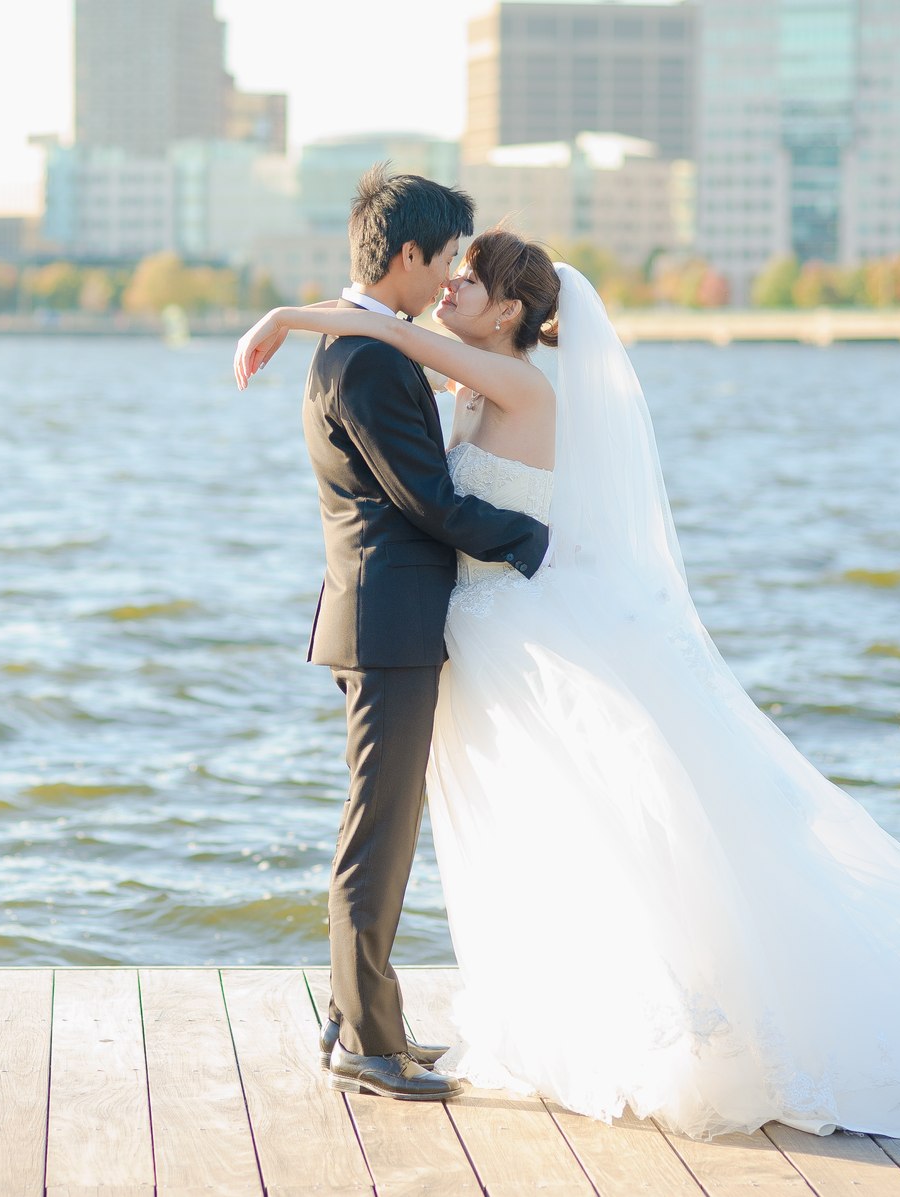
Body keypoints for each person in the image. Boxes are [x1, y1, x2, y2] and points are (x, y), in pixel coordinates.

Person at [235, 226, 900, 1138]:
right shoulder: (480, 381)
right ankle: (536, 1008)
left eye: (467, 285)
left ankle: (671, 1018)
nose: (447, 296)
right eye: (445, 281)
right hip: (494, 631)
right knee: (546, 829)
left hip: (521, 631)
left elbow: (400, 347)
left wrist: (290, 314)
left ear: (508, 312)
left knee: (608, 824)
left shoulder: (520, 384)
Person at [289, 166, 549, 1102]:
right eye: (443, 257)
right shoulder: (371, 362)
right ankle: (368, 1041)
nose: (448, 277)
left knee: (379, 830)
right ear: (407, 253)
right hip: (389, 624)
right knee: (380, 837)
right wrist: (529, 537)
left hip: (379, 617)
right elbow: (428, 502)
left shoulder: (368, 349)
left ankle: (352, 1021)